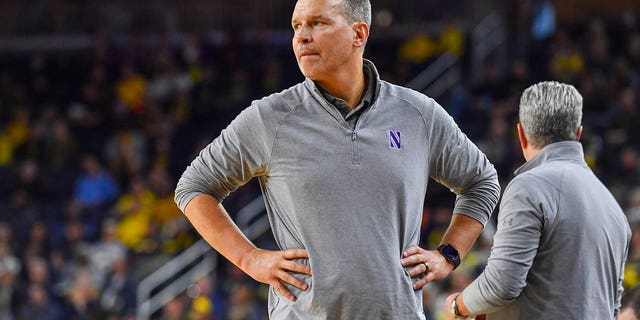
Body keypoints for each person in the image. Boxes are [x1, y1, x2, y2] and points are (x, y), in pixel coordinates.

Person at [174, 0, 500, 318]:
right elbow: (193, 188)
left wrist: (447, 254)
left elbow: (481, 181)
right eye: (296, 26)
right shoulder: (269, 118)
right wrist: (249, 259)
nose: (301, 36)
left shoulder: (418, 114)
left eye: (317, 22)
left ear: (358, 34)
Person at [444, 81, 631, 320]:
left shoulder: (529, 186)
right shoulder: (613, 208)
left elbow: (501, 285)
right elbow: (612, 308)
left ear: (521, 134)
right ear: (578, 133)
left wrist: (457, 305)